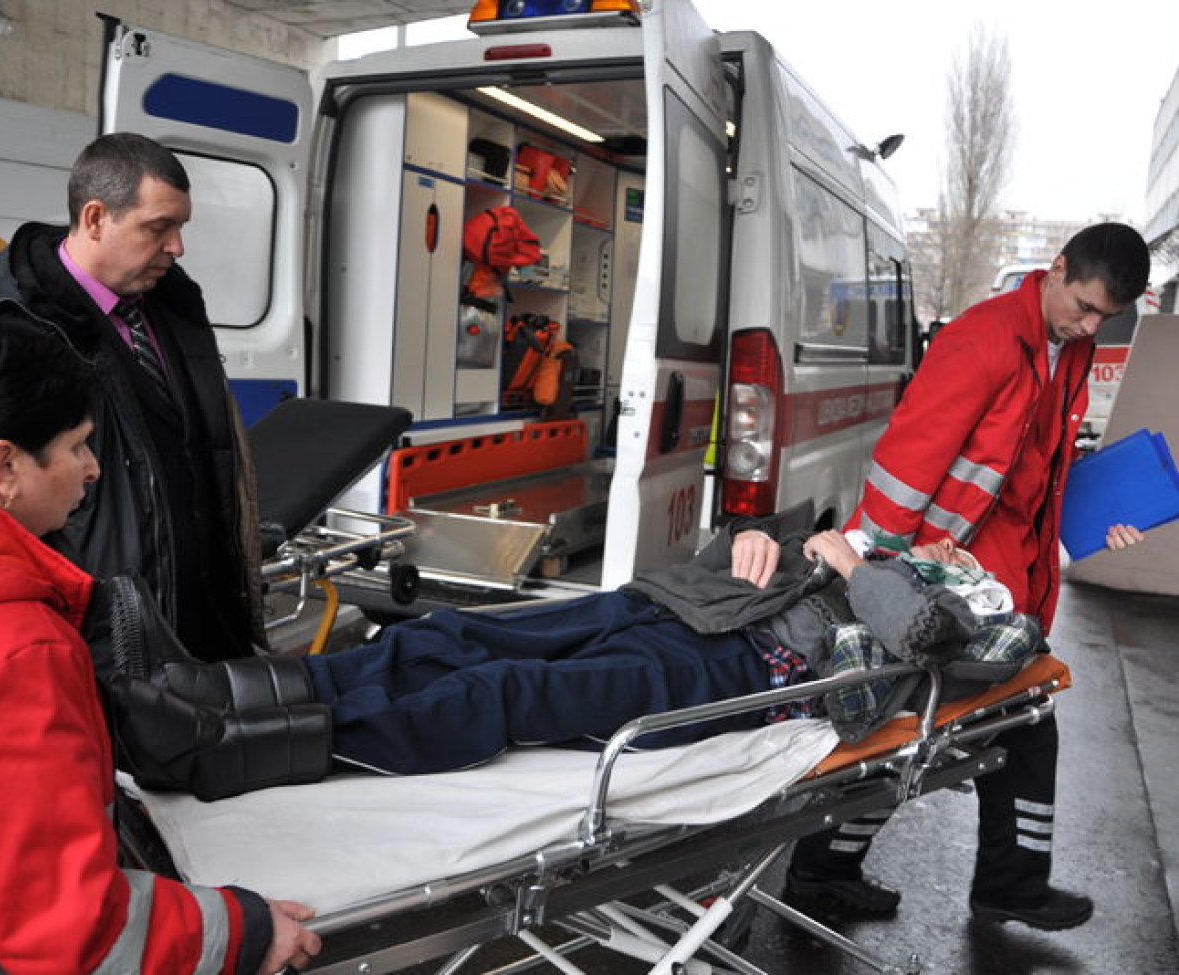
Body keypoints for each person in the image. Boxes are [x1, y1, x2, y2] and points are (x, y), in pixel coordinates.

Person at [0, 315, 321, 974]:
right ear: (3, 466)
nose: (92, 470)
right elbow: (70, 932)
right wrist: (243, 931)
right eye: (79, 446)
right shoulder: (5, 650)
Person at [783, 222, 1152, 931]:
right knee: (918, 729)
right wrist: (872, 579)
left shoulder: (1063, 351)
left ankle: (983, 881)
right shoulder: (982, 341)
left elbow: (1038, 473)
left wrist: (1102, 511)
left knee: (1001, 720)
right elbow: (905, 465)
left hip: (1003, 577)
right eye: (1083, 306)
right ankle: (833, 872)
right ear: (1057, 267)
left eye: (1105, 317)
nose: (1088, 326)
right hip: (940, 582)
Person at [112, 504, 1043, 778]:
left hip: (741, 666)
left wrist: (848, 562)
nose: (947, 544)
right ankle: (222, 687)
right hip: (675, 601)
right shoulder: (887, 549)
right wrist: (760, 530)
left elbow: (922, 639)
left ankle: (228, 749)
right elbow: (767, 526)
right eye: (941, 545)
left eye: (958, 550)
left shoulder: (967, 608)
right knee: (453, 633)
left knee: (503, 695)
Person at [0, 132, 262, 666]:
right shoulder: (22, 333)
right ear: (96, 218)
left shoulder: (175, 302)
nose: (177, 247)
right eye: (159, 227)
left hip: (209, 626)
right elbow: (4, 516)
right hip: (109, 644)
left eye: (180, 227)